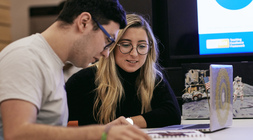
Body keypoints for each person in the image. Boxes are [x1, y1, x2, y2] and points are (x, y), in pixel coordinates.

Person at [0, 0, 151, 140]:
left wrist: (105, 130)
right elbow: (16, 134)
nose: (106, 53)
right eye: (108, 40)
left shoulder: (51, 62)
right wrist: (99, 133)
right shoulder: (26, 57)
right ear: (84, 22)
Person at [66, 14, 181, 128]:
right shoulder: (83, 80)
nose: (134, 54)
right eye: (126, 45)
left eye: (141, 46)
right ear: (112, 46)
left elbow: (172, 114)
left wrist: (128, 122)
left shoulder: (154, 78)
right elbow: (57, 124)